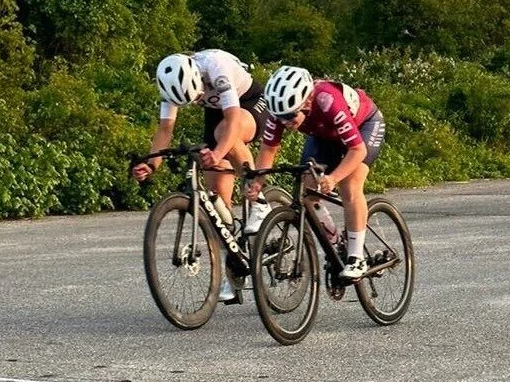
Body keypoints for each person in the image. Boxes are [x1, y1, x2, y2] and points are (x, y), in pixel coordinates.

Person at [130, 49, 273, 301]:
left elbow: (231, 122)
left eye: (196, 95)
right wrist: (151, 165)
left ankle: (259, 201)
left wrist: (218, 154)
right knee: (217, 201)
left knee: (222, 137)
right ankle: (234, 269)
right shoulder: (171, 84)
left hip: (249, 103)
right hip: (217, 113)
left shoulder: (216, 68)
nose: (196, 99)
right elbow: (165, 130)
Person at [246, 66, 386, 280]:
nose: (285, 122)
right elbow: (268, 149)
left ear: (306, 102)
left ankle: (356, 257)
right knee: (308, 189)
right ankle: (336, 242)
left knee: (349, 185)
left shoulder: (327, 101)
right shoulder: (280, 111)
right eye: (280, 117)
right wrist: (257, 182)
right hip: (324, 134)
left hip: (364, 125)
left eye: (290, 116)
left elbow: (358, 150)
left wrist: (333, 178)